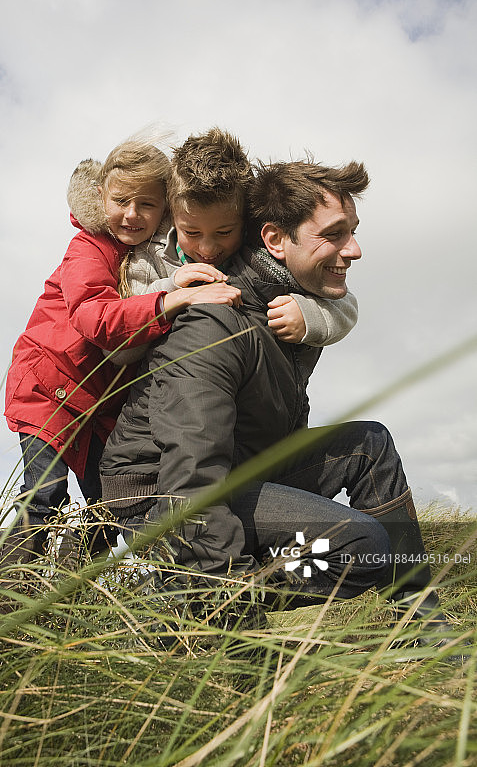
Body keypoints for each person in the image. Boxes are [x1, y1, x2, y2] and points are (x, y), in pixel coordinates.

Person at [99, 154, 459, 652]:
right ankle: (187, 599)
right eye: (333, 234)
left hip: (242, 466)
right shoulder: (214, 322)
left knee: (369, 444)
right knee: (360, 544)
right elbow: (191, 478)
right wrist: (230, 609)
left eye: (353, 231)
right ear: (274, 240)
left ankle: (420, 622)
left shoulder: (297, 310)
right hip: (161, 492)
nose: (354, 250)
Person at [0, 136, 240, 570]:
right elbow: (96, 318)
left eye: (147, 204)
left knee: (111, 503)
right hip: (49, 386)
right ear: (100, 196)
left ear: (164, 208)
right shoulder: (88, 248)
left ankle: (71, 586)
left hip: (98, 404)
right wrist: (171, 300)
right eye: (121, 200)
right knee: (46, 494)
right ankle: (2, 599)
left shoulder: (152, 255)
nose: (132, 214)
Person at [66, 128, 359, 368]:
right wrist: (174, 291)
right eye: (191, 232)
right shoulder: (147, 259)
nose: (207, 248)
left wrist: (309, 316)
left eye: (224, 232)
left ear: (243, 222)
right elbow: (117, 353)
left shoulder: (261, 250)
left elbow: (342, 301)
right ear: (171, 215)